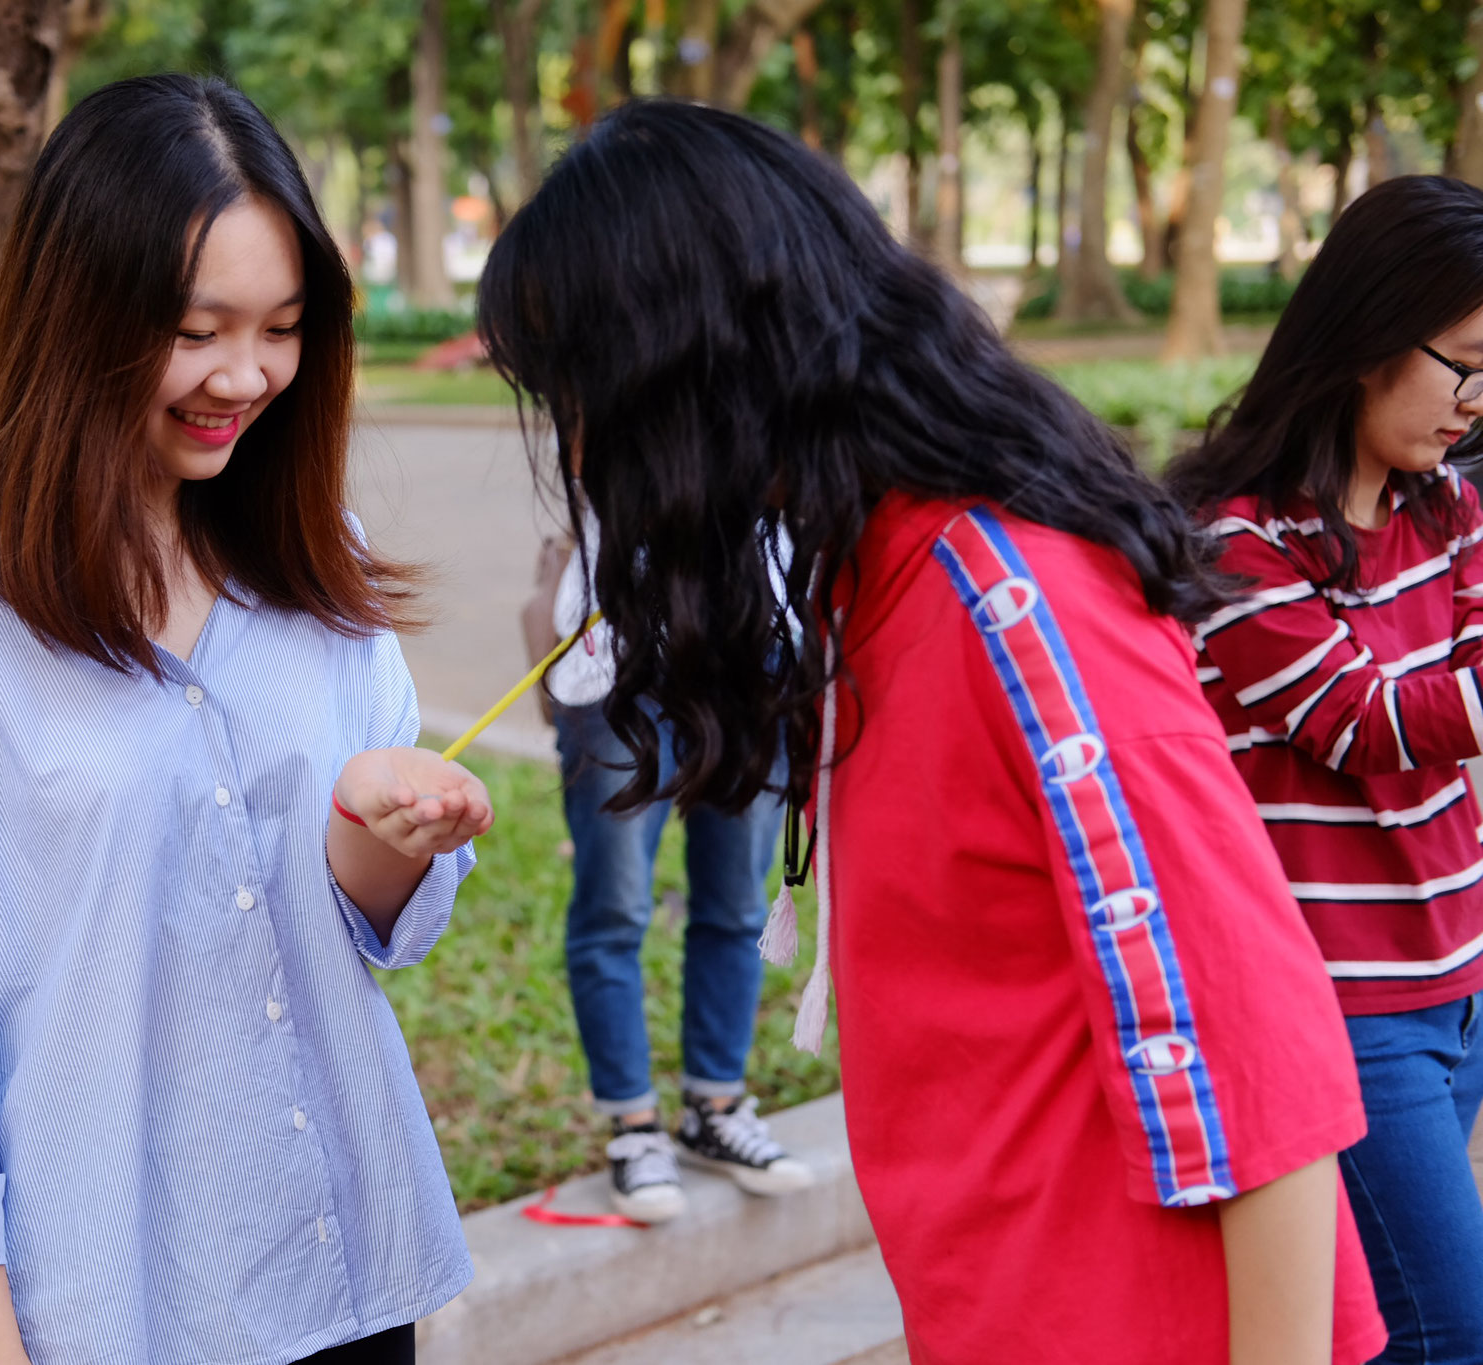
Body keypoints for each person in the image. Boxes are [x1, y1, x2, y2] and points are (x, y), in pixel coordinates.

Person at [477, 100, 1385, 1364]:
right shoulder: (873, 578)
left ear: (688, 373)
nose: (578, 453)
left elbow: (1263, 1065)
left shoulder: (1014, 606)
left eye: (581, 398)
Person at [0, 75, 489, 1365]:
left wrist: (388, 830)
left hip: (346, 1273)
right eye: (196, 329)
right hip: (106, 1306)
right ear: (77, 316)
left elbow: (360, 921)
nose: (246, 375)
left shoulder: (309, 557)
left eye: (282, 328)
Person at [1165, 174, 1483, 1364]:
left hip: (1456, 973)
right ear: (1365, 334)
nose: (1475, 403)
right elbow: (1366, 722)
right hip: (1342, 1006)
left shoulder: (1439, 504)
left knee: (1391, 1324)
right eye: (1463, 362)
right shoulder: (1236, 538)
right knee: (1450, 1330)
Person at [526, 507, 809, 1222]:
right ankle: (634, 1127)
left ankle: (714, 1108)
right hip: (616, 650)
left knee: (738, 901)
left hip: (759, 646)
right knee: (614, 905)